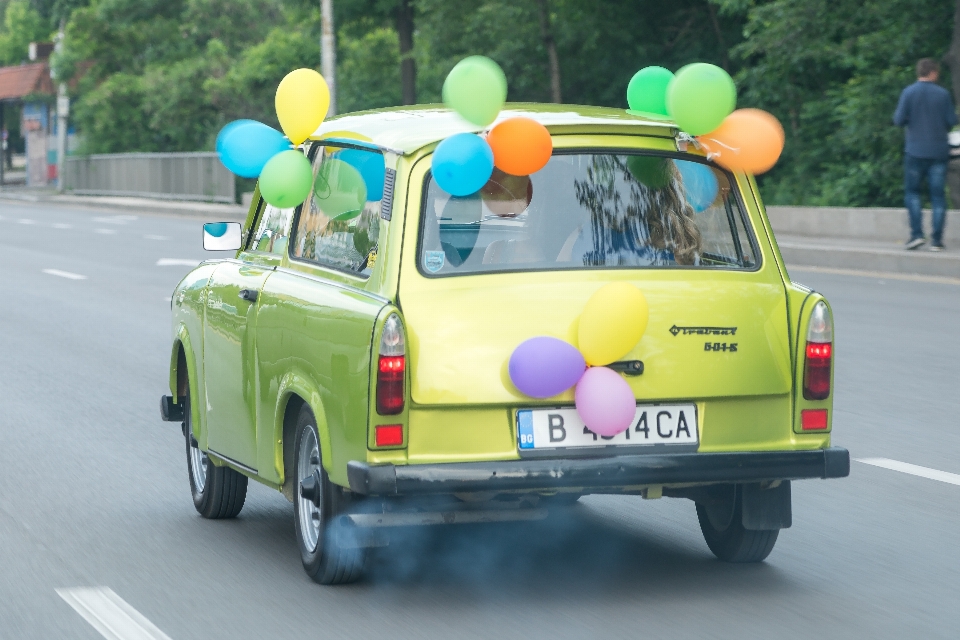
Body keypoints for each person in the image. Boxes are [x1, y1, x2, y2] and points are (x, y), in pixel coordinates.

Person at [893, 58, 958, 251]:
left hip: (914, 151)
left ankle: (916, 235)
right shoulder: (943, 94)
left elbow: (898, 120)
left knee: (913, 193)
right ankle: (937, 240)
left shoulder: (908, 93)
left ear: (919, 72)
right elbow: (951, 120)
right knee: (937, 196)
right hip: (938, 152)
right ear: (933, 73)